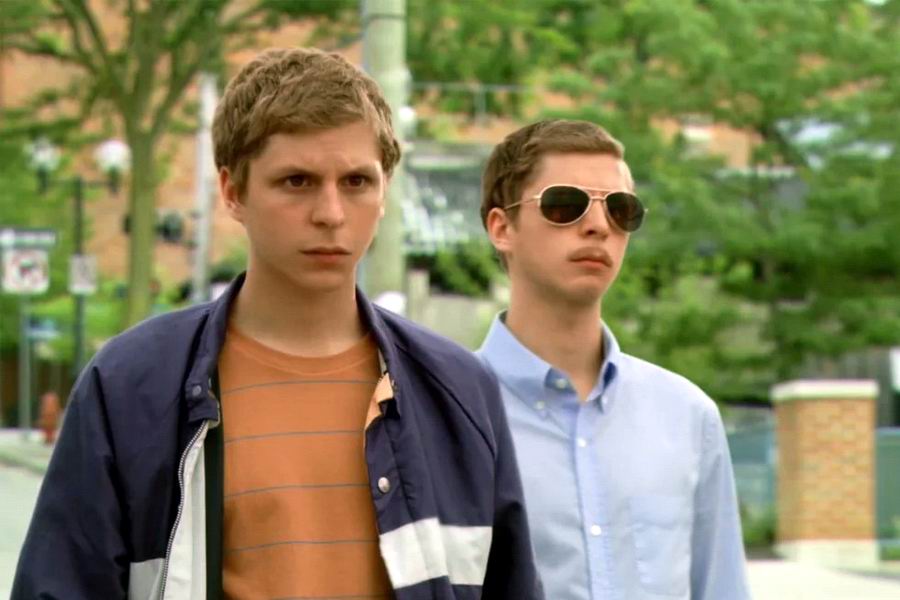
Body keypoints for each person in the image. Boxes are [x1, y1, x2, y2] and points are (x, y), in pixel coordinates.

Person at [13, 48, 542, 600]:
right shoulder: (131, 385)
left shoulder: (458, 389)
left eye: (356, 181)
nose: (330, 213)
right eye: (297, 181)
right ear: (232, 192)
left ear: (385, 191)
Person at [476, 119, 750, 599]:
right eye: (566, 204)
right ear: (502, 228)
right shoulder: (445, 415)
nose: (599, 225)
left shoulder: (688, 416)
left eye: (621, 209)